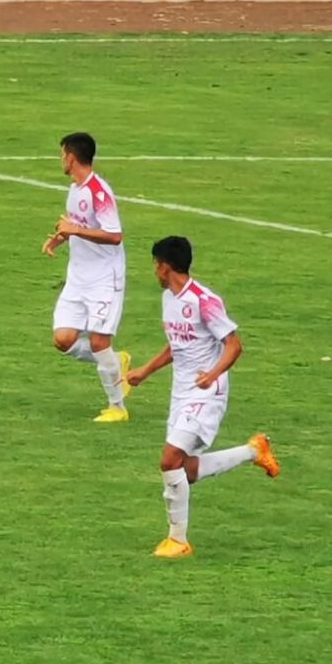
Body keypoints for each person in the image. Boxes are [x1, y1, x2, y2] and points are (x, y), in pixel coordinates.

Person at [129, 234, 283, 556]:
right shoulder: (169, 299)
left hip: (207, 393)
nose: (155, 271)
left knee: (169, 459)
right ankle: (254, 451)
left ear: (165, 266)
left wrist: (212, 375)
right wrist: (145, 371)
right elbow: (178, 345)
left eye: (156, 265)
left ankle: (178, 541)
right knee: (185, 470)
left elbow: (234, 345)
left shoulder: (204, 301)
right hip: (181, 392)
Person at [45, 132, 132, 423]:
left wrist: (75, 231)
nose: (61, 160)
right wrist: (60, 237)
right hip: (78, 277)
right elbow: (77, 226)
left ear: (71, 156)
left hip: (104, 279)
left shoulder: (99, 192)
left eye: (62, 155)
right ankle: (115, 362)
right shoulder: (75, 190)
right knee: (63, 339)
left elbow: (114, 235)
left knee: (98, 342)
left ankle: (117, 407)